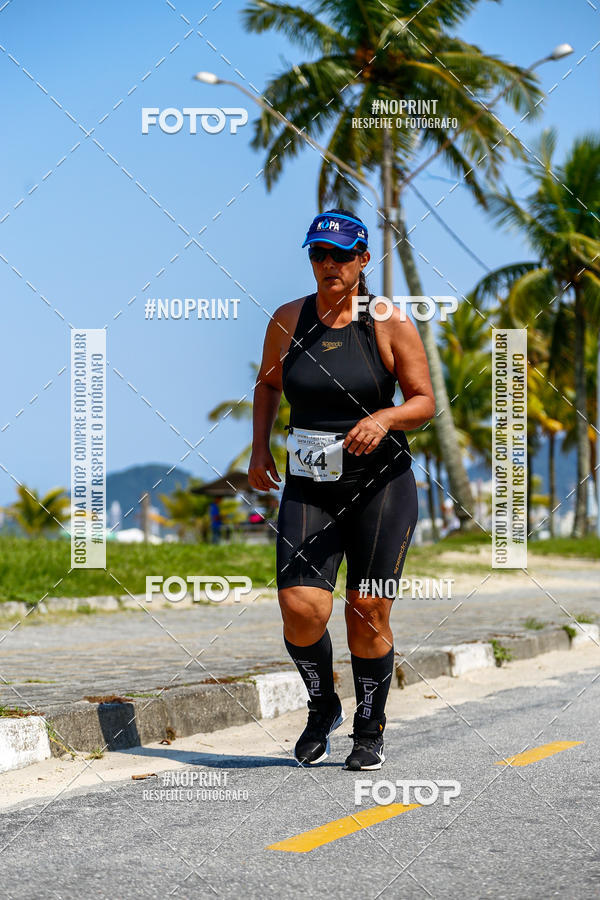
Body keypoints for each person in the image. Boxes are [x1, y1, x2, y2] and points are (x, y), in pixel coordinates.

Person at [248, 208, 435, 770]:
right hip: (311, 485)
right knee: (300, 607)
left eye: (340, 255)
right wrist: (259, 448)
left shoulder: (387, 322)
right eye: (318, 254)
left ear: (363, 259)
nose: (328, 264)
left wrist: (385, 418)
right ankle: (323, 704)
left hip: (381, 486)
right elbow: (267, 385)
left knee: (367, 607)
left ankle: (369, 727)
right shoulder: (288, 319)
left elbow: (424, 401)